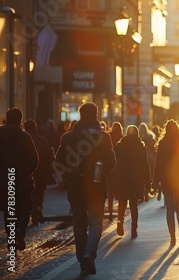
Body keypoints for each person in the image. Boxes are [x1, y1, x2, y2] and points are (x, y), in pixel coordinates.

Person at [55, 103, 116, 275]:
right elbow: (112, 163)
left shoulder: (68, 137)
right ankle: (89, 254)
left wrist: (71, 169)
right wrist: (101, 167)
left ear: (80, 115)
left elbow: (59, 162)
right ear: (96, 115)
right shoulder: (104, 136)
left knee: (79, 225)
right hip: (96, 187)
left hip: (75, 187)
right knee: (96, 222)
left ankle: (82, 259)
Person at [0, 108, 39, 252]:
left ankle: (11, 245)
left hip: (4, 181)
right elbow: (35, 159)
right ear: (20, 120)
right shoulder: (24, 137)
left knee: (9, 212)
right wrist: (27, 172)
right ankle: (19, 231)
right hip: (22, 180)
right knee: (26, 208)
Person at [153, 120, 179, 246]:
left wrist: (155, 182)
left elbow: (158, 164)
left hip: (167, 178)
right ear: (178, 130)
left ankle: (172, 237)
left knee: (170, 208)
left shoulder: (162, 143)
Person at [113, 125, 150, 238]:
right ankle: (134, 228)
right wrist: (147, 182)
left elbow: (115, 164)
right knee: (134, 205)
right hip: (135, 180)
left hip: (122, 179)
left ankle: (120, 221)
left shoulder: (119, 146)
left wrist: (114, 179)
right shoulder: (141, 147)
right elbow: (145, 165)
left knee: (122, 203)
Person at [24, 120, 55, 226]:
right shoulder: (43, 140)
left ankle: (34, 211)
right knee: (40, 191)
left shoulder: (24, 140)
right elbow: (50, 156)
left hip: (28, 171)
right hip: (42, 171)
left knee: (31, 193)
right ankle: (39, 207)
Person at [107, 122, 123, 221]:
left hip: (112, 168)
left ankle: (112, 213)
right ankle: (116, 214)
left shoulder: (110, 137)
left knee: (111, 194)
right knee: (117, 194)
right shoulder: (120, 138)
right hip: (116, 169)